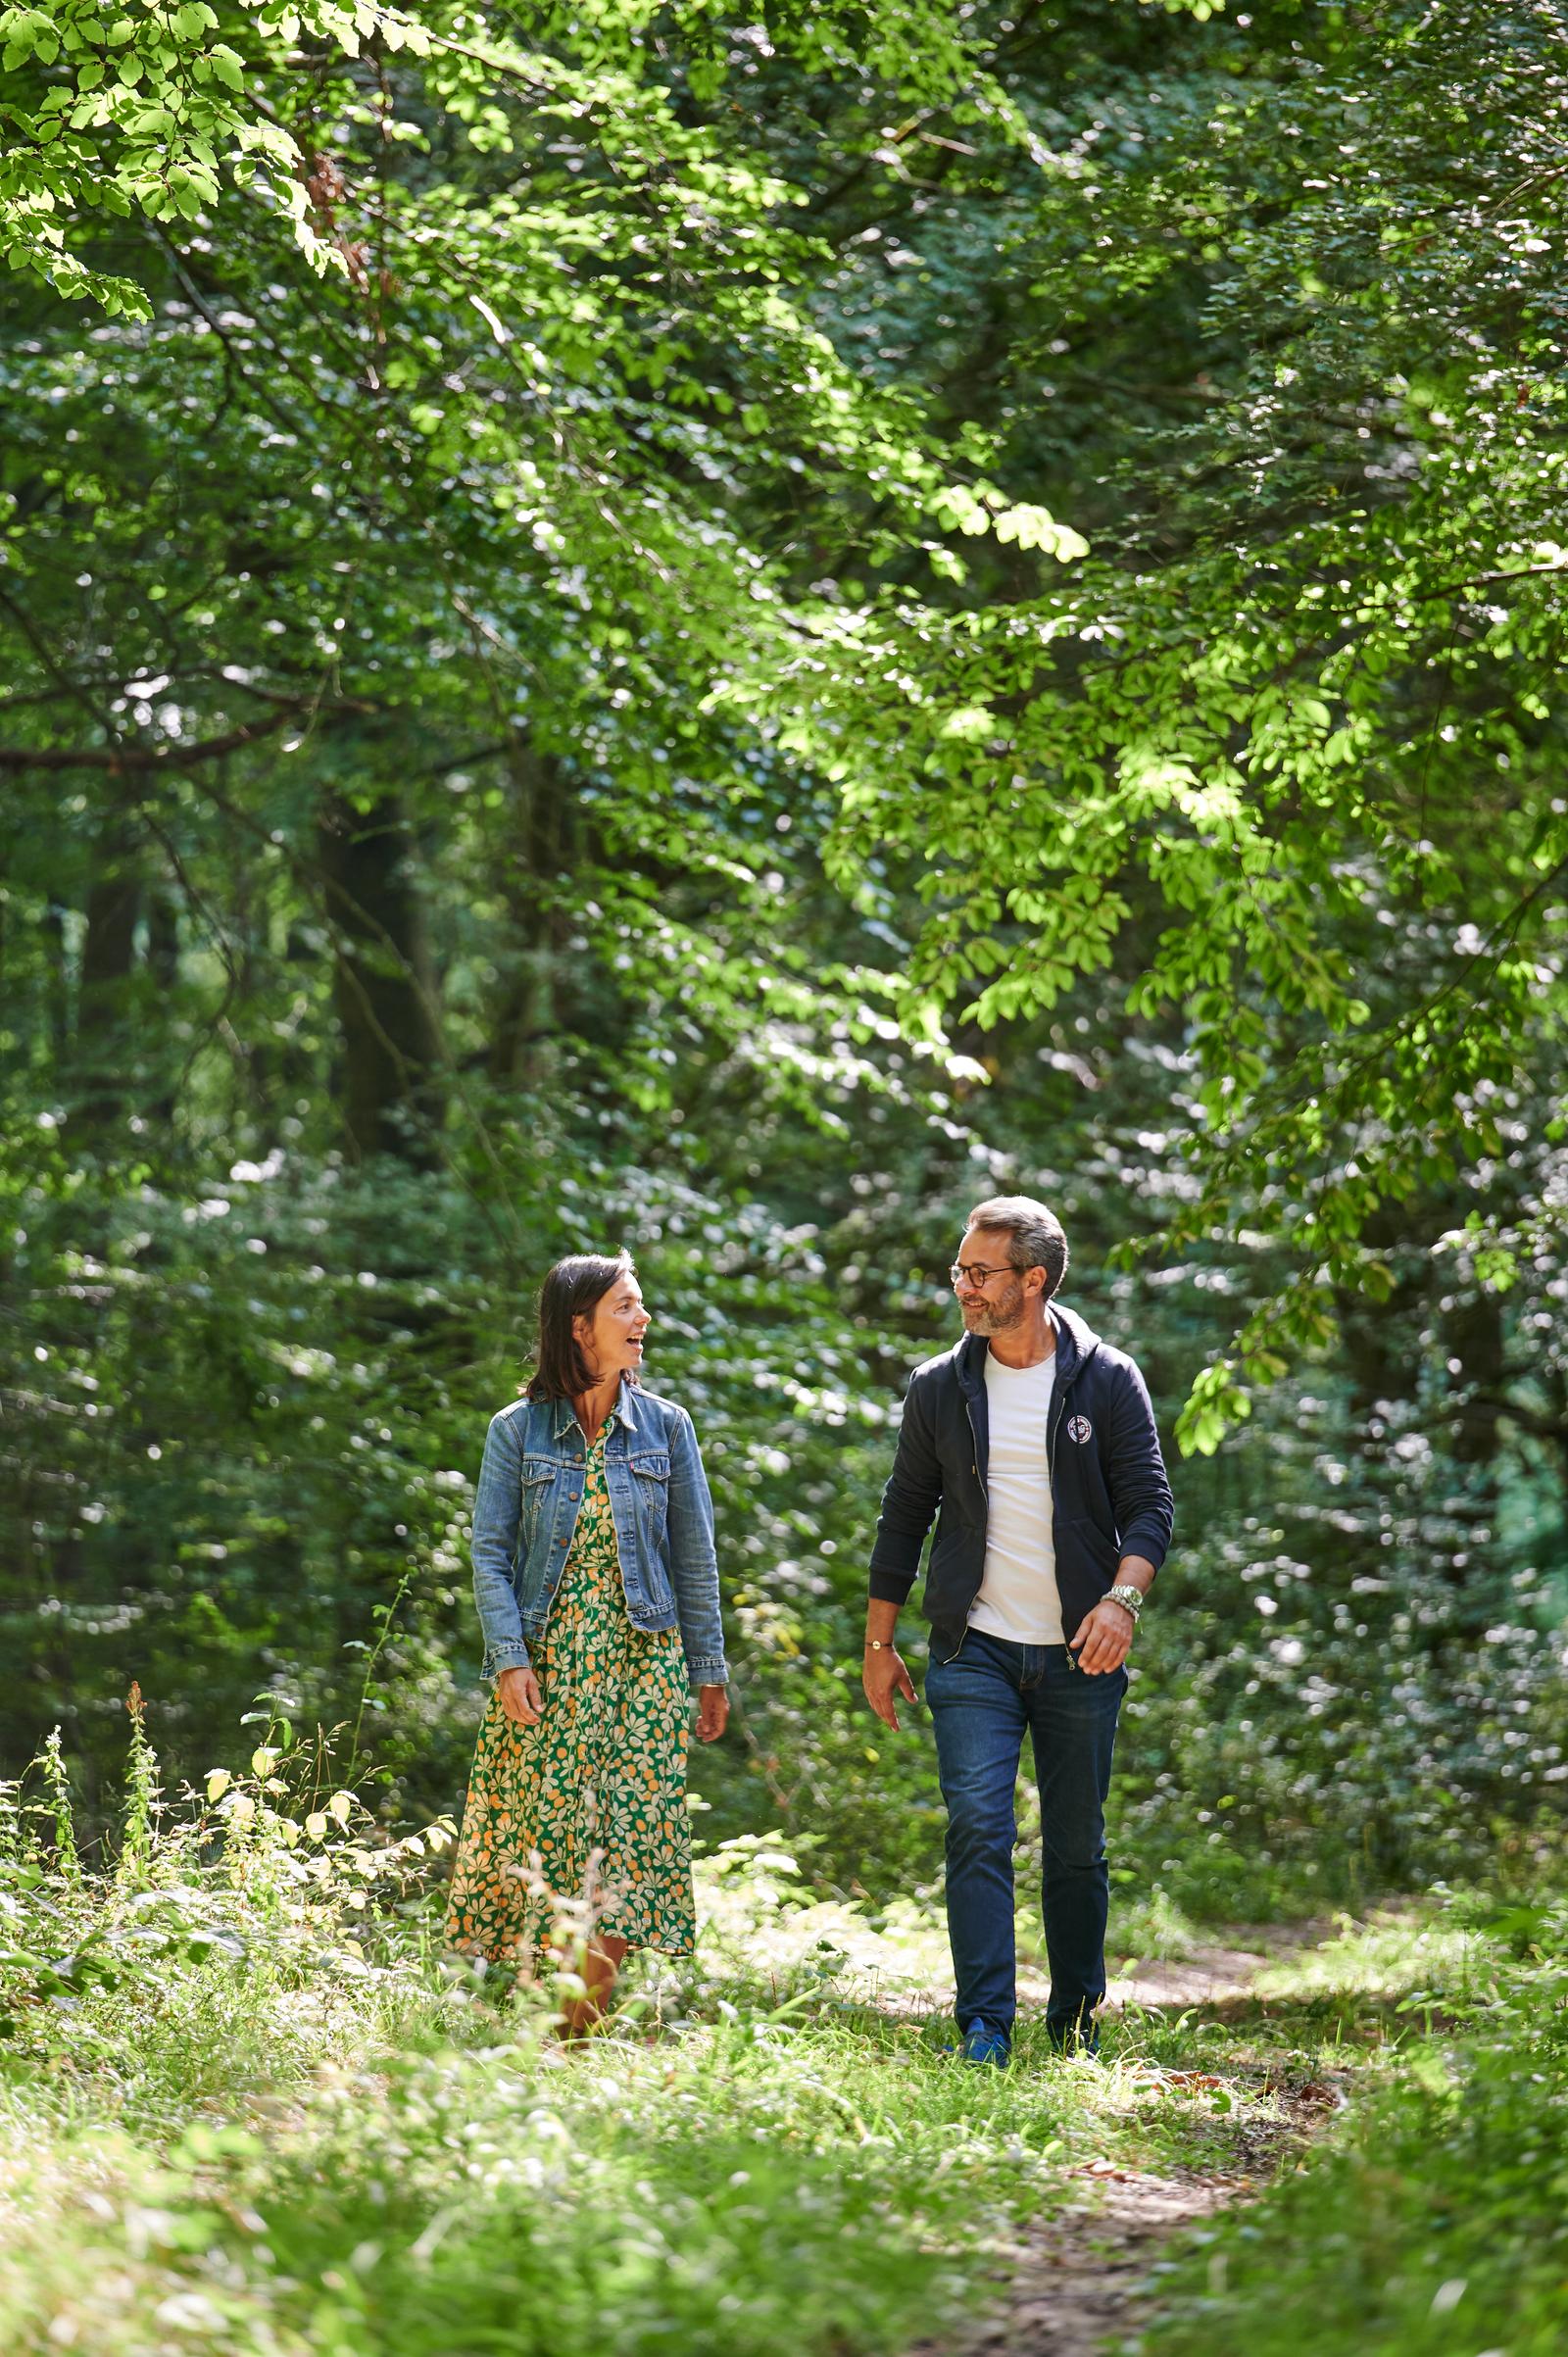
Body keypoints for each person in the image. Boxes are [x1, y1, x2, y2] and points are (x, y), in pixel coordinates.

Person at [861, 1196, 1173, 2065]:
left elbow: (1151, 1508)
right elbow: (902, 1518)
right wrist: (879, 1643)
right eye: (960, 1269)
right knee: (976, 1827)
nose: (961, 1284)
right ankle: (985, 2026)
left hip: (1080, 1652)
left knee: (1076, 1848)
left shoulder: (1107, 1378)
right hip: (974, 1648)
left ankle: (1075, 2019)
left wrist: (1122, 1601)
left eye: (978, 1271)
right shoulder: (940, 1386)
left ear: (1031, 1280)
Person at [445, 1251, 729, 2035]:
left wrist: (709, 1671)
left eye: (640, 1306)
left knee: (631, 1832)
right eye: (626, 1307)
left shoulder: (667, 1427)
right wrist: (508, 1659)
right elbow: (491, 1553)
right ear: (580, 1326)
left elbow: (694, 1555)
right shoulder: (517, 1430)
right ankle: (546, 2016)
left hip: (645, 1660)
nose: (643, 1321)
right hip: (549, 1662)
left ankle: (582, 2028)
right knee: (554, 1832)